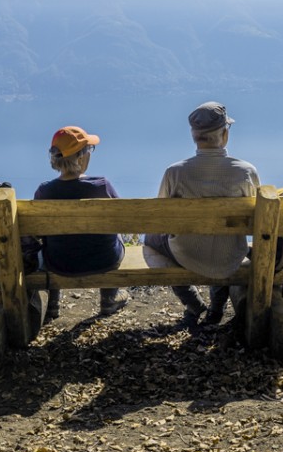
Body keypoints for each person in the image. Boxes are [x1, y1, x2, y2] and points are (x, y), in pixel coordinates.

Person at [143, 101, 261, 327]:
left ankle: (194, 303)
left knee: (152, 239)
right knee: (221, 241)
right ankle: (217, 309)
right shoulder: (246, 172)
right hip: (231, 254)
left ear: (194, 136)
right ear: (224, 135)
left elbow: (159, 217)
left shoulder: (175, 172)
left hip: (186, 254)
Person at [30, 125, 124, 320]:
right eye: (89, 150)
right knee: (116, 234)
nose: (90, 154)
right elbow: (122, 220)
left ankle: (53, 305)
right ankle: (109, 300)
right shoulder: (102, 186)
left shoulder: (44, 192)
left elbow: (37, 233)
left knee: (52, 242)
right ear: (81, 157)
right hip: (104, 260)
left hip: (59, 262)